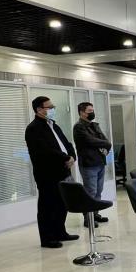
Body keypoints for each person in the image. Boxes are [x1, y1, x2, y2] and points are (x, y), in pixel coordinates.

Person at [24, 96, 77, 248]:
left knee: (62, 204)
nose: (53, 109)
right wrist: (65, 158)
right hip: (47, 174)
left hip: (63, 170)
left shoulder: (54, 125)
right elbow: (45, 151)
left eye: (53, 106)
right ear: (39, 109)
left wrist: (72, 156)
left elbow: (67, 143)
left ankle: (60, 232)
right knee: (48, 206)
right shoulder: (34, 128)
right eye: (50, 107)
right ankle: (47, 238)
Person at [73, 101, 112, 226]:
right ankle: (88, 218)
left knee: (99, 191)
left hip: (100, 162)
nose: (92, 113)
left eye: (92, 110)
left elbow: (104, 139)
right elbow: (91, 141)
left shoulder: (95, 125)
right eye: (89, 111)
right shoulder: (79, 127)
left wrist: (106, 145)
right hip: (89, 164)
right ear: (82, 113)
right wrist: (106, 144)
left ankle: (95, 214)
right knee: (90, 191)